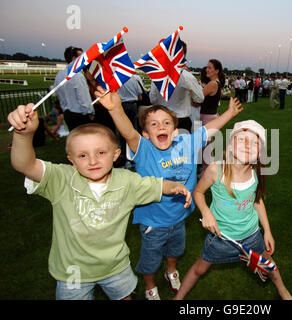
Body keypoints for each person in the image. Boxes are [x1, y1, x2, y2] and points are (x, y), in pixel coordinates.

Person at [7, 104, 192, 300]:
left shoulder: (127, 181)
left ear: (116, 155)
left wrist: (174, 186)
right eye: (83, 155)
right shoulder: (61, 179)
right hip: (73, 271)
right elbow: (24, 164)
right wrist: (23, 135)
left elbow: (156, 184)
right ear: (71, 159)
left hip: (116, 267)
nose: (93, 161)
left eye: (101, 153)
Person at [95, 85, 244, 300]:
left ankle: (171, 270)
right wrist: (116, 109)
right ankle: (149, 284)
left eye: (166, 123)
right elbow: (128, 133)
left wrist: (229, 113)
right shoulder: (144, 149)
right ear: (146, 134)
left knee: (175, 250)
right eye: (154, 125)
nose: (161, 127)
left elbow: (209, 129)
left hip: (179, 217)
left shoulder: (186, 143)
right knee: (151, 258)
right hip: (153, 222)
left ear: (175, 131)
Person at [173, 120, 292, 300]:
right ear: (229, 145)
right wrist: (206, 212)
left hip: (252, 234)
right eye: (242, 139)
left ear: (260, 153)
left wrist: (267, 230)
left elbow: (257, 201)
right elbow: (198, 192)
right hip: (221, 237)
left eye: (255, 143)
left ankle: (283, 291)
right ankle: (179, 297)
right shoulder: (216, 169)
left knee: (268, 264)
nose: (248, 145)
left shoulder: (255, 172)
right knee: (200, 268)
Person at [149, 41, 204, 133]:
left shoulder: (157, 74)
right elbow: (200, 98)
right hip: (180, 119)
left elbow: (152, 99)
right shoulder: (187, 76)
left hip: (162, 119)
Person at [56, 46, 95, 131]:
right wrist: (90, 112)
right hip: (80, 115)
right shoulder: (77, 76)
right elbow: (84, 98)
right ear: (74, 58)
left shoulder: (59, 75)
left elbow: (59, 95)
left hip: (67, 113)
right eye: (81, 57)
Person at [199, 59, 226, 175]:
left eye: (210, 68)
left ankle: (207, 172)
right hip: (210, 116)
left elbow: (197, 98)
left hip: (207, 117)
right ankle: (206, 170)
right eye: (207, 67)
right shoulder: (216, 83)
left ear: (216, 71)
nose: (207, 69)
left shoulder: (212, 84)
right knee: (206, 147)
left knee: (206, 148)